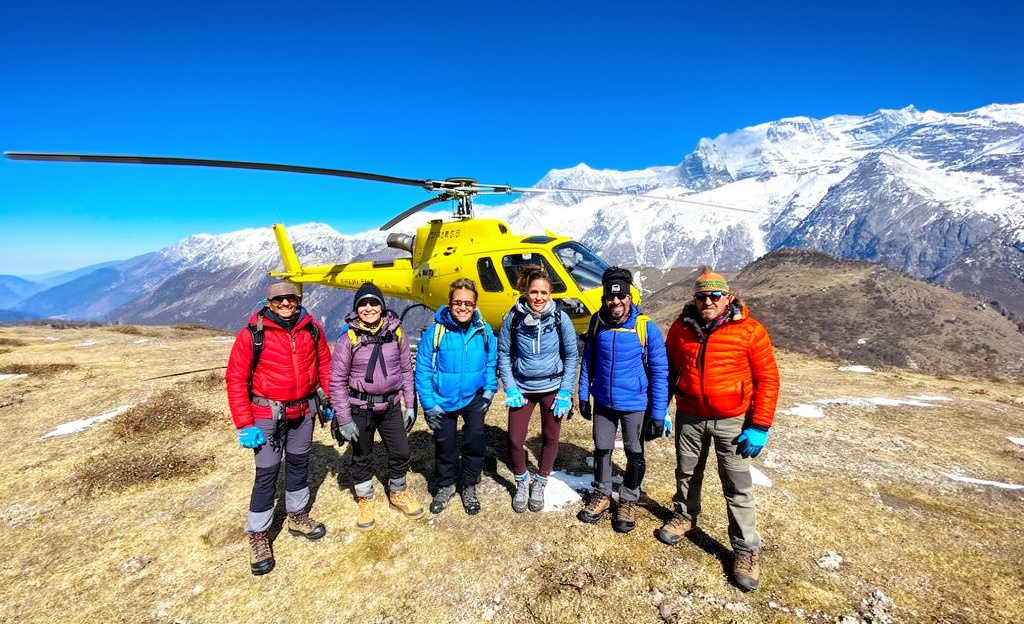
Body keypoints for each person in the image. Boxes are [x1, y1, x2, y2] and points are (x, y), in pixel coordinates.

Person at [656, 270, 780, 592]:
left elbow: (768, 380)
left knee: (737, 485)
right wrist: (661, 409)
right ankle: (684, 516)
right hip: (690, 416)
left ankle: (745, 549)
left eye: (714, 296)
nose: (707, 301)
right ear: (694, 299)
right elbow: (669, 371)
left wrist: (760, 426)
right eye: (701, 296)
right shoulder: (681, 329)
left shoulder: (750, 331)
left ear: (728, 296)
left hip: (733, 421)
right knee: (686, 472)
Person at [225, 281, 331, 576]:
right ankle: (258, 534)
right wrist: (245, 424)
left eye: (290, 298)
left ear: (299, 299)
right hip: (266, 413)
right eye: (278, 300)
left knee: (299, 463)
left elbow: (325, 365)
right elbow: (236, 380)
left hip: (303, 410)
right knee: (267, 472)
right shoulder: (252, 335)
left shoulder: (312, 329)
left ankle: (297, 515)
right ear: (268, 302)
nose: (285, 303)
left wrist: (331, 399)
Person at [576, 266, 670, 533]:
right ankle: (602, 495)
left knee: (635, 452)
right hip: (604, 402)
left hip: (635, 405)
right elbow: (588, 361)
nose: (616, 302)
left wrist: (658, 413)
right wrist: (583, 394)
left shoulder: (646, 328)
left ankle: (628, 499)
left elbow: (660, 372)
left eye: (621, 297)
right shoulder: (597, 322)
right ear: (605, 298)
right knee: (602, 450)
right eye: (610, 297)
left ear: (630, 297)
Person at [328, 282, 423, 531]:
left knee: (401, 451)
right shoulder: (348, 338)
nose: (368, 308)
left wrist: (410, 404)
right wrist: (344, 418)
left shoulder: (396, 333)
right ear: (356, 308)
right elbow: (336, 381)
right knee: (362, 455)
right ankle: (365, 497)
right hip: (360, 407)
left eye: (373, 303)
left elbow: (405, 370)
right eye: (363, 303)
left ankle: (398, 491)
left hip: (390, 406)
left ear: (382, 307)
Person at [497, 266, 579, 512]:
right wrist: (510, 387)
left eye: (544, 292)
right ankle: (522, 480)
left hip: (553, 387)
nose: (539, 297)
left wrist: (565, 391)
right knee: (514, 439)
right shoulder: (513, 318)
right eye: (534, 292)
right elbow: (503, 353)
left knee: (551, 437)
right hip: (522, 388)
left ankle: (541, 480)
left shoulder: (559, 318)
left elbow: (572, 355)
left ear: (550, 294)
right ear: (525, 291)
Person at [415, 278, 498, 515]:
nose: (463, 308)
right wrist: (429, 405)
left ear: (475, 305)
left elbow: (491, 362)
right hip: (443, 398)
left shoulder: (484, 331)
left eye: (468, 304)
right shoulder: (436, 332)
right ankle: (446, 484)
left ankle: (469, 484)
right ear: (449, 303)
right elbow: (422, 370)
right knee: (445, 445)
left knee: (474, 442)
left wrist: (490, 389)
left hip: (474, 397)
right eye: (457, 303)